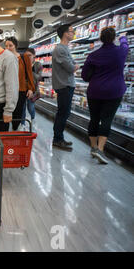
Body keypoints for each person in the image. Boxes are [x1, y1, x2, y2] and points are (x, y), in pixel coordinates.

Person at [81, 28, 128, 164]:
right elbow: (125, 45)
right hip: (114, 91)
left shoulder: (93, 55)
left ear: (100, 39)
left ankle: (93, 147)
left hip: (95, 91)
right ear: (114, 38)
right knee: (106, 120)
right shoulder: (120, 52)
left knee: (94, 119)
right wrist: (123, 37)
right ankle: (100, 150)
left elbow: (84, 76)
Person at [51, 24, 79, 151]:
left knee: (64, 112)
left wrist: (74, 65)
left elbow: (71, 65)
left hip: (66, 84)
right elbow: (71, 67)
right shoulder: (60, 49)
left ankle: (59, 138)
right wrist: (75, 66)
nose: (73, 33)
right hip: (64, 85)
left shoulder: (64, 48)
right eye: (71, 31)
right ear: (65, 33)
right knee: (63, 113)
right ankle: (57, 139)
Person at [4, 37, 35, 130]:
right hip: (7, 90)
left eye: (10, 46)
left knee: (18, 112)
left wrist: (30, 88)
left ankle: (15, 130)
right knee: (7, 111)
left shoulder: (23, 57)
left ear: (15, 46)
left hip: (20, 89)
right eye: (6, 46)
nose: (8, 48)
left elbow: (29, 73)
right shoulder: (4, 58)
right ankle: (6, 132)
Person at [22, 48, 43, 127]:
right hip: (23, 89)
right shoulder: (23, 64)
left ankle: (33, 118)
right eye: (26, 56)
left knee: (30, 107)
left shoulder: (38, 65)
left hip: (33, 90)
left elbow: (39, 77)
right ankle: (22, 124)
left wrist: (30, 71)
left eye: (30, 55)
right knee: (23, 108)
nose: (28, 57)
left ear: (34, 56)